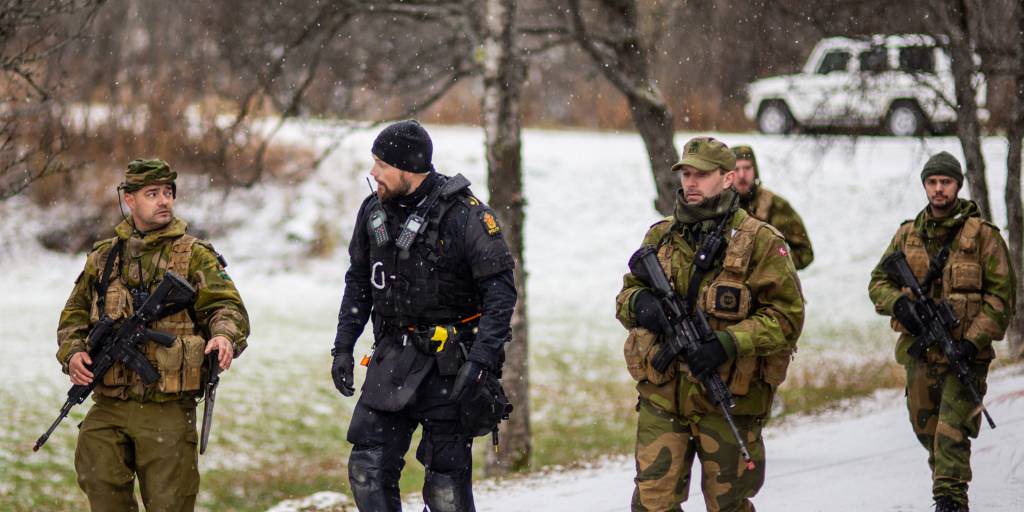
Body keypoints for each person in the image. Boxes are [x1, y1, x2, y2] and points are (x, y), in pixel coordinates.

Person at [331, 120, 517, 511]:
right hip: (392, 359)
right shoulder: (373, 213)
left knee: (446, 490)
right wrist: (343, 347)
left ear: (406, 167)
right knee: (367, 469)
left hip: (451, 366)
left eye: (381, 163)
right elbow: (359, 283)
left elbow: (501, 293)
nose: (373, 173)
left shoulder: (466, 216)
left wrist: (481, 362)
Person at [616, 137, 804, 512]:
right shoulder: (661, 236)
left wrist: (728, 343)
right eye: (686, 173)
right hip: (664, 393)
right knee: (652, 502)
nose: (690, 182)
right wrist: (643, 305)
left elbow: (787, 318)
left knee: (728, 504)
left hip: (729, 397)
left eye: (701, 174)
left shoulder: (761, 243)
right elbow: (625, 297)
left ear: (729, 178)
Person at [56, 158, 250, 511]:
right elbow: (74, 315)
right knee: (97, 478)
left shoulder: (194, 255)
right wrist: (72, 353)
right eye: (152, 193)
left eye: (168, 193)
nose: (164, 201)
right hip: (110, 402)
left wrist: (224, 336)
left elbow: (227, 307)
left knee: (170, 502)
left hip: (167, 407)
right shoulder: (104, 258)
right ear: (129, 200)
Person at [868, 151, 1015, 512]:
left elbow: (1001, 298)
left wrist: (971, 340)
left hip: (965, 355)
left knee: (951, 433)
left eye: (945, 182)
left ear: (958, 186)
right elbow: (878, 282)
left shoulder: (983, 237)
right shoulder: (908, 235)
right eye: (932, 183)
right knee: (929, 433)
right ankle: (946, 487)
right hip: (921, 355)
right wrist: (900, 305)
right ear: (924, 186)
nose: (938, 190)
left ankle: (949, 500)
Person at [731, 145, 814, 270]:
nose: (742, 175)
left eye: (747, 168)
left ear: (755, 170)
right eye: (736, 169)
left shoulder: (776, 205)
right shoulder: (720, 206)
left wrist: (774, 265)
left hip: (765, 287)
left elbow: (804, 252)